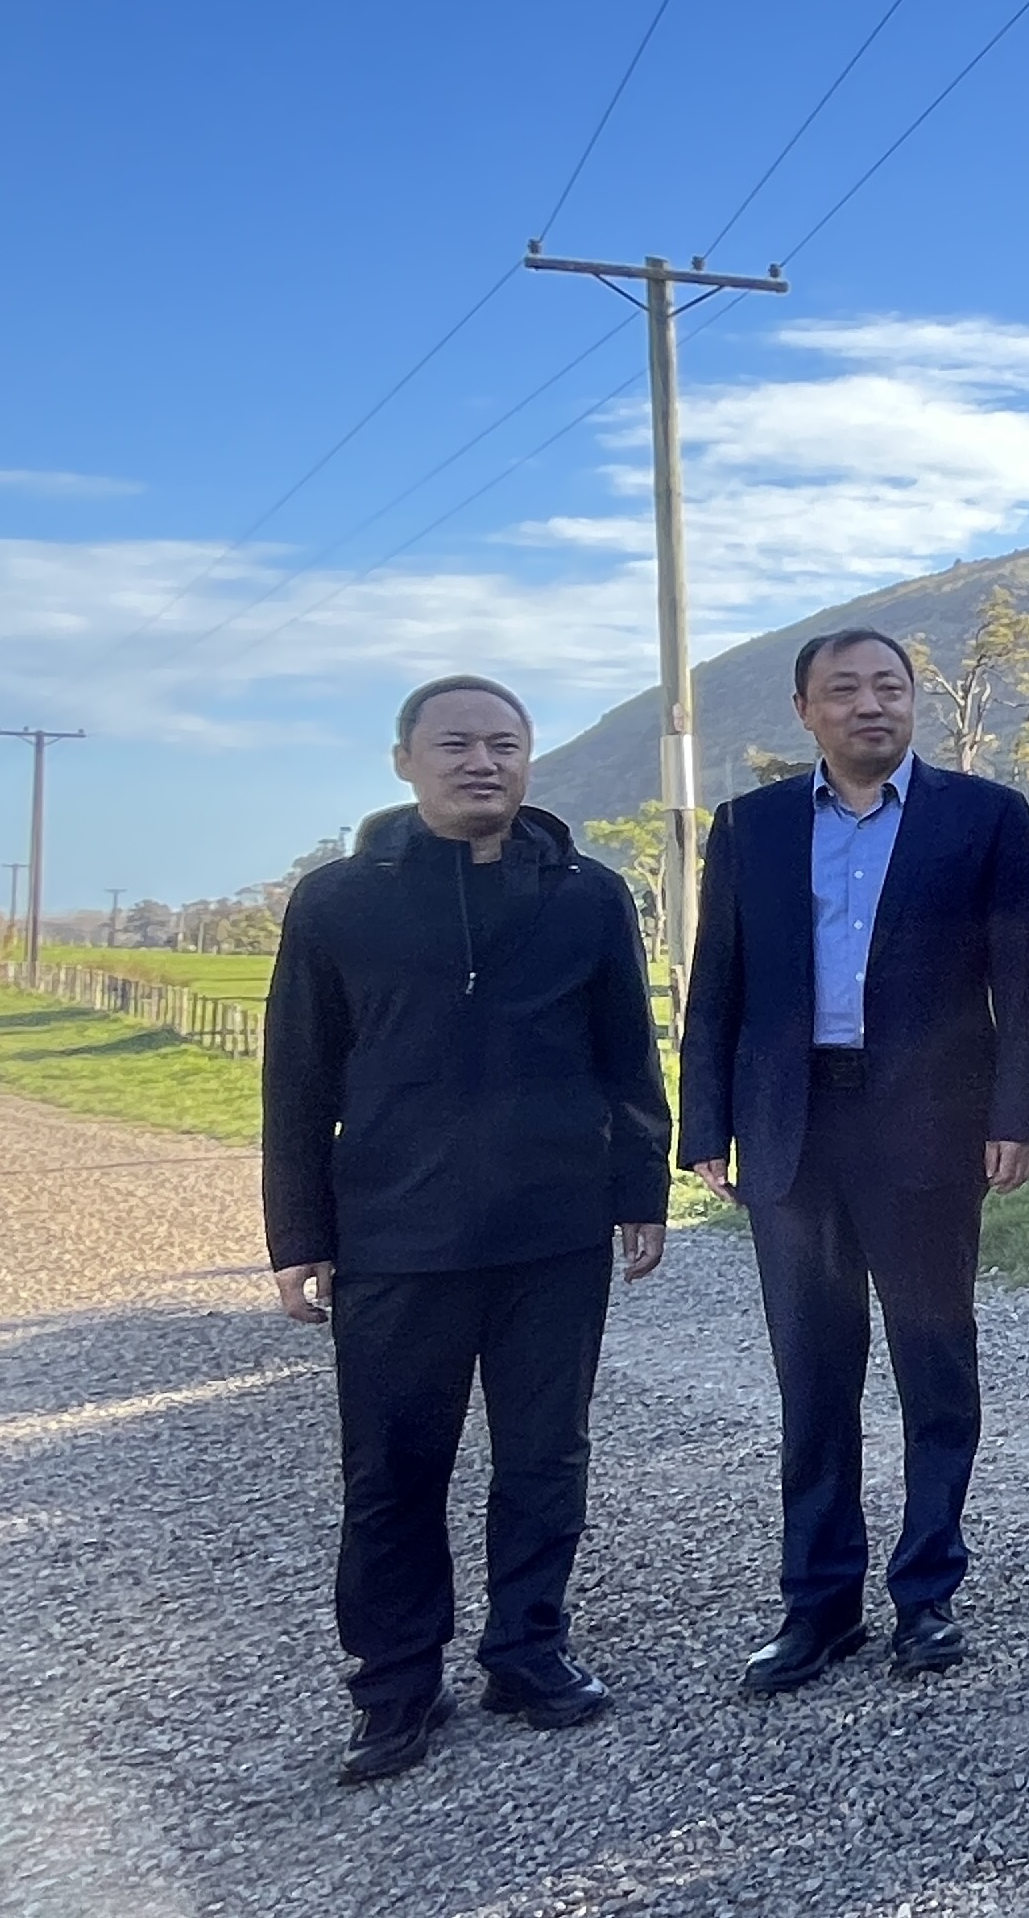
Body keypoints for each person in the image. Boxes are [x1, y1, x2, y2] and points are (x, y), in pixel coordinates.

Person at [261, 675, 671, 1785]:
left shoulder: (587, 894)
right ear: (405, 761)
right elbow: (296, 1078)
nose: (481, 762)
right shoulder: (338, 901)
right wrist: (298, 1233)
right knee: (392, 1470)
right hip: (395, 1234)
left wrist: (639, 1189)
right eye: (455, 745)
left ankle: (528, 1652)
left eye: (504, 744)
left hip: (554, 1231)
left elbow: (627, 1056)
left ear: (529, 759)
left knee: (546, 1457)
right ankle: (396, 1684)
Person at [679, 628, 1029, 1694]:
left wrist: (1019, 1113)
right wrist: (705, 1125)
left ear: (914, 701)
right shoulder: (749, 826)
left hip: (928, 1128)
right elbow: (719, 981)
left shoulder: (983, 817)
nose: (869, 705)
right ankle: (819, 1604)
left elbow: (1022, 983)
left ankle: (927, 1595)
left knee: (935, 1366)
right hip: (792, 1129)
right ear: (806, 711)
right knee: (813, 1375)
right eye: (843, 690)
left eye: (889, 686)